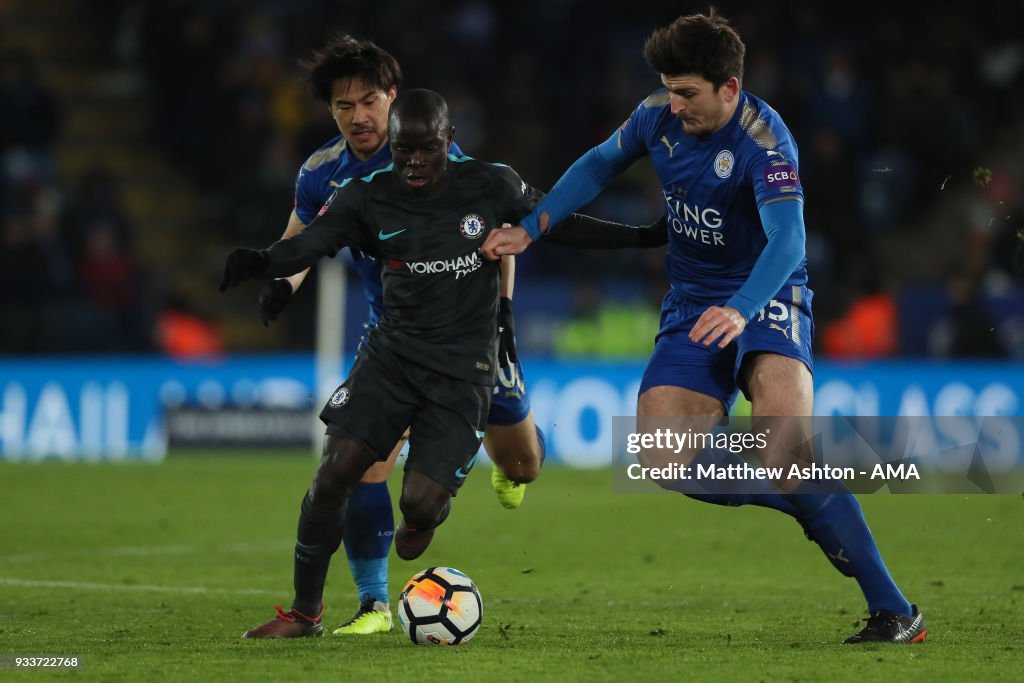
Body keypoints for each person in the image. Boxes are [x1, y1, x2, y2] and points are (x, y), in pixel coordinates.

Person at [481, 13, 926, 645]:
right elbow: (599, 165)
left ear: (730, 88)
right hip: (693, 303)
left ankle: (896, 611)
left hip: (768, 295)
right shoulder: (655, 115)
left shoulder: (765, 143)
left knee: (784, 444)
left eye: (687, 92)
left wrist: (743, 306)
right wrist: (533, 225)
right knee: (663, 456)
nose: (675, 103)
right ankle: (801, 490)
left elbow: (789, 238)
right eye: (669, 88)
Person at [223, 89, 663, 639]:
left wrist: (645, 237)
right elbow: (313, 241)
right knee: (334, 473)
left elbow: (558, 221)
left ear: (449, 142)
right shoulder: (366, 196)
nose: (413, 162)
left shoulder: (490, 183)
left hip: (462, 372)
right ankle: (306, 614)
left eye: (426, 149)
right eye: (403, 150)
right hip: (391, 360)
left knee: (420, 509)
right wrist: (262, 261)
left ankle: (426, 515)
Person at [253, 35, 543, 637]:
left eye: (367, 102)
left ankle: (493, 463)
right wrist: (279, 286)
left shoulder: (435, 154)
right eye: (342, 106)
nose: (357, 116)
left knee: (524, 465)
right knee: (359, 465)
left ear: (391, 98)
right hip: (393, 336)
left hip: (470, 336)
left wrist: (505, 313)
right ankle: (372, 604)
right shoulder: (325, 173)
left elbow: (499, 229)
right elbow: (302, 236)